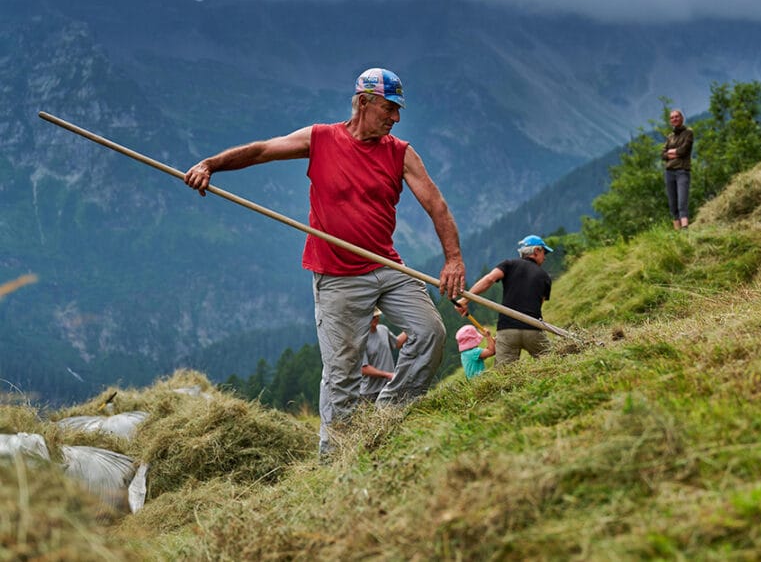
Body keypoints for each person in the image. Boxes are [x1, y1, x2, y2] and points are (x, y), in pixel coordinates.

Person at [184, 67, 466, 455]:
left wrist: (453, 259)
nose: (396, 118)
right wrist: (211, 165)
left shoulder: (400, 153)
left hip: (386, 265)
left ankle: (387, 414)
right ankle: (334, 459)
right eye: (389, 108)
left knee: (431, 332)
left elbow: (437, 205)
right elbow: (264, 149)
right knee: (342, 374)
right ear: (364, 103)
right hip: (336, 277)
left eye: (399, 110)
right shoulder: (321, 139)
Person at [455, 235, 552, 366]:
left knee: (504, 374)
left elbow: (489, 279)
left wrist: (465, 300)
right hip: (532, 329)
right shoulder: (545, 277)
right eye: (544, 252)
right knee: (553, 362)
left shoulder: (509, 265)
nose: (545, 257)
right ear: (536, 251)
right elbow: (538, 305)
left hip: (507, 330)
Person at [358, 309, 408, 403]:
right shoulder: (361, 339)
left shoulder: (383, 329)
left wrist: (410, 329)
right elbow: (363, 368)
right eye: (373, 317)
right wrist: (387, 374)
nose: (376, 318)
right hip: (370, 393)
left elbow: (397, 343)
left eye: (377, 316)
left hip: (389, 386)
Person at [662, 108, 693, 230]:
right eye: (672, 117)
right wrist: (674, 153)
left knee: (682, 202)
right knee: (672, 204)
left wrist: (671, 152)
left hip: (682, 171)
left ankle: (685, 229)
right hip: (669, 172)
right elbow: (663, 154)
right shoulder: (670, 136)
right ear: (670, 121)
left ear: (682, 118)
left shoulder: (688, 133)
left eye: (676, 117)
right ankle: (677, 231)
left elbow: (684, 150)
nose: (674, 119)